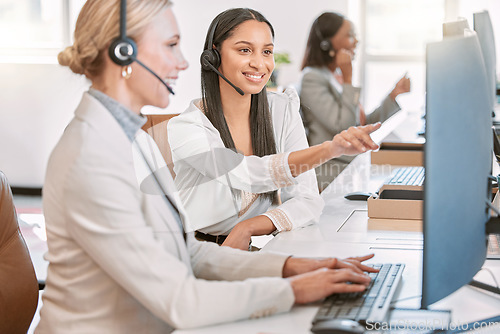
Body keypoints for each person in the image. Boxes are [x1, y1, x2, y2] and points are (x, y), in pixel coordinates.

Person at [35, 1, 378, 333]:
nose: (185, 63)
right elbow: (181, 301)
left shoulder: (133, 138)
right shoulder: (91, 156)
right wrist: (296, 290)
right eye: (171, 45)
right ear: (122, 51)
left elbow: (186, 251)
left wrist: (292, 267)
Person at [168, 8, 381, 251]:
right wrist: (329, 150)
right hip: (196, 254)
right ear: (213, 56)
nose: (260, 63)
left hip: (250, 249)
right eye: (244, 50)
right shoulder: (188, 127)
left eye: (267, 51)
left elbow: (309, 200)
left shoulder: (281, 110)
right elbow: (246, 174)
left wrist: (248, 227)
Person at [300, 12, 411, 190]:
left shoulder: (334, 76)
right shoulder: (312, 78)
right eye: (350, 35)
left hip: (350, 166)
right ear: (326, 43)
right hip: (332, 173)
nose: (356, 42)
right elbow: (343, 127)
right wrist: (348, 78)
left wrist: (393, 95)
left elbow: (359, 124)